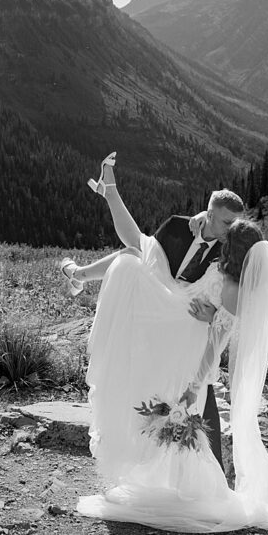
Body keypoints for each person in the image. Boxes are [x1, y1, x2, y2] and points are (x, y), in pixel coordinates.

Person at [62, 154, 268, 535]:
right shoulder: (204, 246)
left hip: (188, 340)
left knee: (182, 405)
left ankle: (191, 480)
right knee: (130, 261)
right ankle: (171, 473)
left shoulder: (228, 270)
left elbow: (221, 329)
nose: (225, 232)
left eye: (232, 229)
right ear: (210, 214)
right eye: (224, 224)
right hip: (173, 323)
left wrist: (202, 361)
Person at [61, 154, 244, 469]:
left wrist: (214, 315)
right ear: (210, 215)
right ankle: (107, 198)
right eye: (227, 222)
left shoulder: (229, 249)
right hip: (158, 293)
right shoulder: (177, 227)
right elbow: (154, 264)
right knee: (132, 255)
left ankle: (80, 268)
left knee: (132, 252)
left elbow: (235, 300)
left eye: (235, 223)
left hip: (181, 312)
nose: (233, 229)